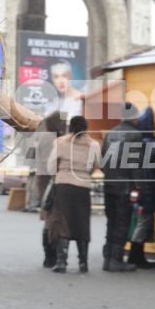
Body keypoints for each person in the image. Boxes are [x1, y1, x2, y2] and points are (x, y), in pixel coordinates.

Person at [47, 114, 99, 273]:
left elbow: (50, 166)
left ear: (70, 126)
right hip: (83, 186)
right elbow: (96, 165)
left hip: (63, 185)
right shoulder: (94, 145)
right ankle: (83, 263)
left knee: (63, 222)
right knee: (82, 223)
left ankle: (62, 262)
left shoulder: (60, 142)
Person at [99, 105, 144, 272]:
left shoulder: (110, 132)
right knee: (122, 223)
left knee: (111, 222)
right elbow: (136, 164)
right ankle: (116, 260)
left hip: (108, 184)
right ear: (133, 117)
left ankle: (107, 259)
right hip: (125, 186)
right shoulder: (135, 135)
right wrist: (139, 185)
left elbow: (103, 161)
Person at [126, 106, 155, 268]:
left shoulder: (137, 143)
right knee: (144, 222)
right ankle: (136, 256)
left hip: (140, 188)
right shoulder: (153, 145)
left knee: (142, 221)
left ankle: (136, 255)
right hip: (148, 190)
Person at [34, 111, 66, 267]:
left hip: (47, 181)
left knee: (51, 220)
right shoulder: (50, 137)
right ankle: (50, 255)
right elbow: (50, 164)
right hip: (49, 183)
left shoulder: (48, 136)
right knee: (51, 220)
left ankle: (51, 255)